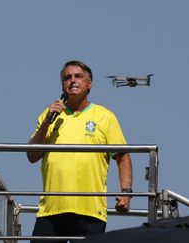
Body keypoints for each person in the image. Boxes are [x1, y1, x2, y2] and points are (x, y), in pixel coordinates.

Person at [27, 60, 133, 242]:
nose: (73, 81)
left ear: (89, 84)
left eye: (78, 76)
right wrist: (47, 122)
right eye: (67, 77)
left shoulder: (105, 117)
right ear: (62, 85)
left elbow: (122, 157)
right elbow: (32, 155)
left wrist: (126, 192)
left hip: (90, 211)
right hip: (51, 209)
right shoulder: (50, 115)